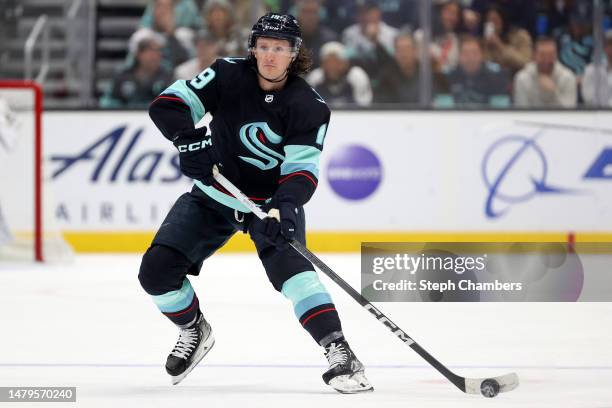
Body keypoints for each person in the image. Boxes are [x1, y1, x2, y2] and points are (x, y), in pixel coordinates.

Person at [140, 13, 374, 394]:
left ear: (294, 54)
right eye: (263, 46)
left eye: (279, 49)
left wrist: (284, 208)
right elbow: (167, 105)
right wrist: (188, 138)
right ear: (252, 48)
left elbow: (301, 173)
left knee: (294, 274)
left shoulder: (309, 106)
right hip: (215, 195)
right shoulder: (226, 74)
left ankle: (339, 349)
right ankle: (193, 329)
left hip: (269, 205)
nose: (269, 56)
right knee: (155, 272)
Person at [100, 34, 173, 108]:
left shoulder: (167, 78)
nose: (155, 56)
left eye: (158, 52)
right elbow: (107, 101)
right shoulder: (122, 76)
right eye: (150, 51)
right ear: (138, 54)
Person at [438, 35, 510, 107]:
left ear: (482, 55)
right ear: (459, 56)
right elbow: (443, 110)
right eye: (465, 53)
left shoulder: (497, 78)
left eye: (475, 53)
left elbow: (500, 110)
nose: (470, 58)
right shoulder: (446, 78)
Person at [514, 37, 577, 108]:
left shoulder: (568, 77)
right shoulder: (522, 78)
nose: (546, 60)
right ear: (534, 55)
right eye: (542, 55)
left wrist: (553, 93)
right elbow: (521, 112)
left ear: (556, 55)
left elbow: (570, 114)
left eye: (551, 55)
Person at [306, 41, 373, 106]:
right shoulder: (315, 78)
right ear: (322, 64)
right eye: (328, 62)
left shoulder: (357, 76)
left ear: (346, 63)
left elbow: (364, 105)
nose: (332, 66)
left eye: (336, 62)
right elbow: (308, 105)